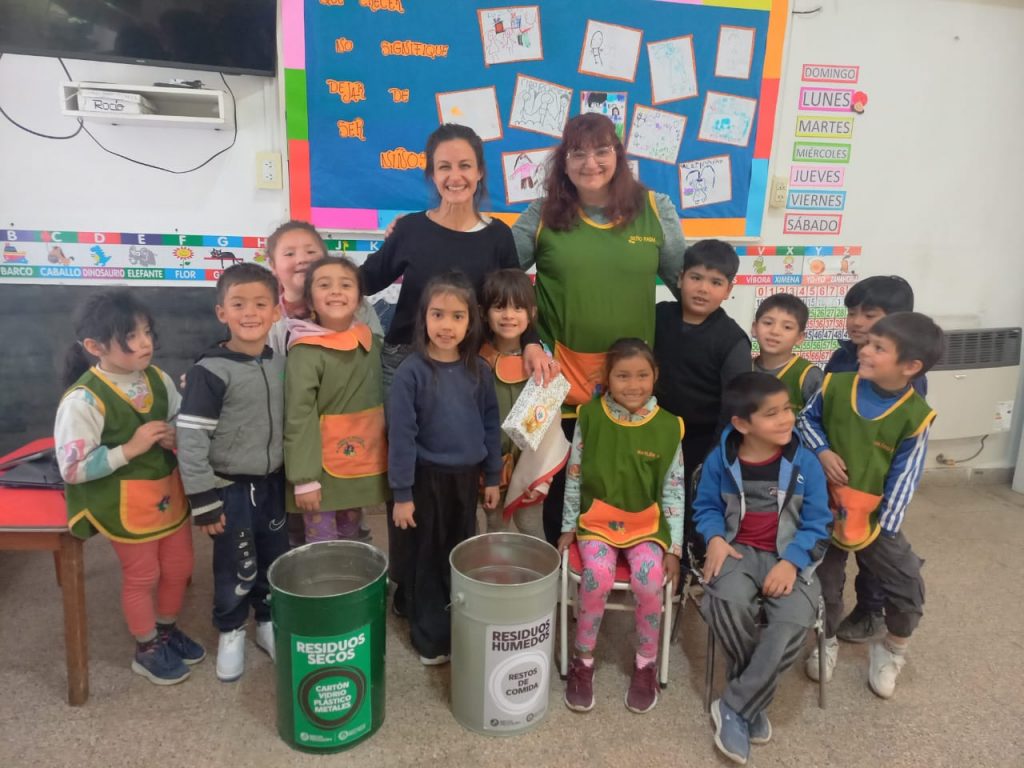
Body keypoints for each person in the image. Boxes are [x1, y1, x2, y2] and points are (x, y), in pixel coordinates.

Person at [512, 112, 687, 544]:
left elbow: (689, 285)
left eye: (602, 150)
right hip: (551, 377)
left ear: (618, 155)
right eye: (578, 153)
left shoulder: (654, 207)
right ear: (564, 161)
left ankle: (612, 569)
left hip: (628, 383)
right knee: (543, 489)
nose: (590, 163)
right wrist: (529, 341)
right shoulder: (542, 212)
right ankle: (550, 576)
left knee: (618, 482)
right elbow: (499, 281)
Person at [55, 290, 203, 685]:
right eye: (131, 336)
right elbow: (72, 467)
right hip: (121, 502)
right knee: (142, 575)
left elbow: (176, 417)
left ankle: (167, 630)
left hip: (166, 492)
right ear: (94, 346)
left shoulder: (158, 377)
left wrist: (176, 435)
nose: (145, 343)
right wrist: (129, 449)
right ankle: (146, 646)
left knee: (180, 566)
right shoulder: (83, 400)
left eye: (146, 332)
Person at [798, 312, 944, 698]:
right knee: (825, 586)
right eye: (868, 343)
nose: (865, 350)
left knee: (907, 585)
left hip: (876, 521)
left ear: (910, 366)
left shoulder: (916, 415)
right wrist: (823, 451)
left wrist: (880, 530)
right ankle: (825, 641)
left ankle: (892, 649)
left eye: (879, 348)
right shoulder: (834, 384)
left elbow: (905, 476)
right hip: (823, 510)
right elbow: (805, 420)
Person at [694, 372, 831, 765]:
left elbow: (820, 524)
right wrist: (715, 537)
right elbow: (705, 508)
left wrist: (792, 562)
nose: (787, 418)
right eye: (772, 414)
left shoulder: (805, 462)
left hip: (790, 555)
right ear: (742, 424)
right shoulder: (721, 458)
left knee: (792, 622)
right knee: (726, 603)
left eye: (787, 408)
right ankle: (753, 695)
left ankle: (736, 704)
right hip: (736, 550)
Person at [362, 124, 553, 393]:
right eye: (444, 167)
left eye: (464, 165)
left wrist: (531, 343)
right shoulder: (410, 229)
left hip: (470, 365)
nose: (455, 176)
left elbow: (517, 298)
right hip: (404, 363)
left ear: (480, 172)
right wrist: (309, 282)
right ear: (432, 174)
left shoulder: (497, 236)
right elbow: (363, 280)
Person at [558, 338, 684, 715]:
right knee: (596, 575)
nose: (633, 384)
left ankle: (645, 664)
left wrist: (674, 548)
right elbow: (575, 477)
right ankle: (584, 660)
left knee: (649, 581)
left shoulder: (668, 426)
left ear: (655, 376)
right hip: (596, 523)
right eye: (623, 375)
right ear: (607, 378)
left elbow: (674, 492)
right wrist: (568, 527)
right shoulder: (590, 416)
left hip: (647, 526)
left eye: (642, 375)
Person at [176, 263, 289, 682]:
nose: (250, 313)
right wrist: (203, 500)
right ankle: (230, 631)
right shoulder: (210, 371)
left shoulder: (279, 363)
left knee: (273, 558)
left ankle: (266, 623)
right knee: (235, 564)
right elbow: (190, 439)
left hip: (273, 484)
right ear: (222, 311)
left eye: (261, 304)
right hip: (229, 489)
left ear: (275, 311)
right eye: (239, 304)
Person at [386, 272, 502, 664]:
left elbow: (489, 424)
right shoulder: (410, 374)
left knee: (458, 554)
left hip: (465, 480)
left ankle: (455, 622)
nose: (446, 325)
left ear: (471, 322)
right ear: (424, 319)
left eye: (457, 316)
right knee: (427, 555)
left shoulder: (479, 371)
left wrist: (493, 476)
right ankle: (430, 637)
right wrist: (401, 494)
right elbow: (400, 437)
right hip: (424, 480)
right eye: (438, 315)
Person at [264, 219, 379, 546]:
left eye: (310, 251)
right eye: (289, 252)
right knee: (300, 526)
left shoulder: (358, 316)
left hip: (347, 443)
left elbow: (373, 362)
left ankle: (357, 576)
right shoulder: (269, 316)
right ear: (273, 265)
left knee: (351, 523)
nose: (301, 258)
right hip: (290, 438)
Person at [823, 275, 923, 644]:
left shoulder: (910, 384)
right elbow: (821, 411)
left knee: (873, 553)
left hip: (875, 489)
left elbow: (904, 442)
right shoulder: (841, 358)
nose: (857, 322)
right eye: (852, 312)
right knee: (830, 557)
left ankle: (871, 611)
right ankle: (827, 625)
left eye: (870, 315)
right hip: (834, 481)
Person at [653, 239, 750, 564]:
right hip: (650, 429)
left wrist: (714, 456)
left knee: (688, 509)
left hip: (700, 441)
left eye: (715, 282)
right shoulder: (657, 316)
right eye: (696, 277)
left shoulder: (732, 339)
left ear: (728, 289)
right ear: (679, 278)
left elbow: (734, 406)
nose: (703, 288)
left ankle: (680, 566)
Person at [284, 256, 389, 542]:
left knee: (351, 537)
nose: (335, 291)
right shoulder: (305, 351)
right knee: (322, 545)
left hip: (358, 464)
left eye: (345, 284)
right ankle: (321, 587)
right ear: (310, 299)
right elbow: (298, 417)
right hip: (320, 471)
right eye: (324, 285)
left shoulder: (368, 339)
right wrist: (304, 479)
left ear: (359, 299)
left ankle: (351, 585)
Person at [478, 269, 570, 539]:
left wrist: (542, 473)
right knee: (495, 527)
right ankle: (495, 580)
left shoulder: (543, 362)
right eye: (499, 307)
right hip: (489, 465)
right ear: (484, 313)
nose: (508, 315)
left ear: (531, 313)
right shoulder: (476, 359)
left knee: (531, 527)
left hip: (529, 466)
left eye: (518, 307)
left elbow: (549, 427)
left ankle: (539, 582)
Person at [751, 293, 824, 411]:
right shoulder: (743, 367)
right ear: (754, 328)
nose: (775, 331)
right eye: (768, 323)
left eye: (787, 327)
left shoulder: (809, 376)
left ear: (800, 338)